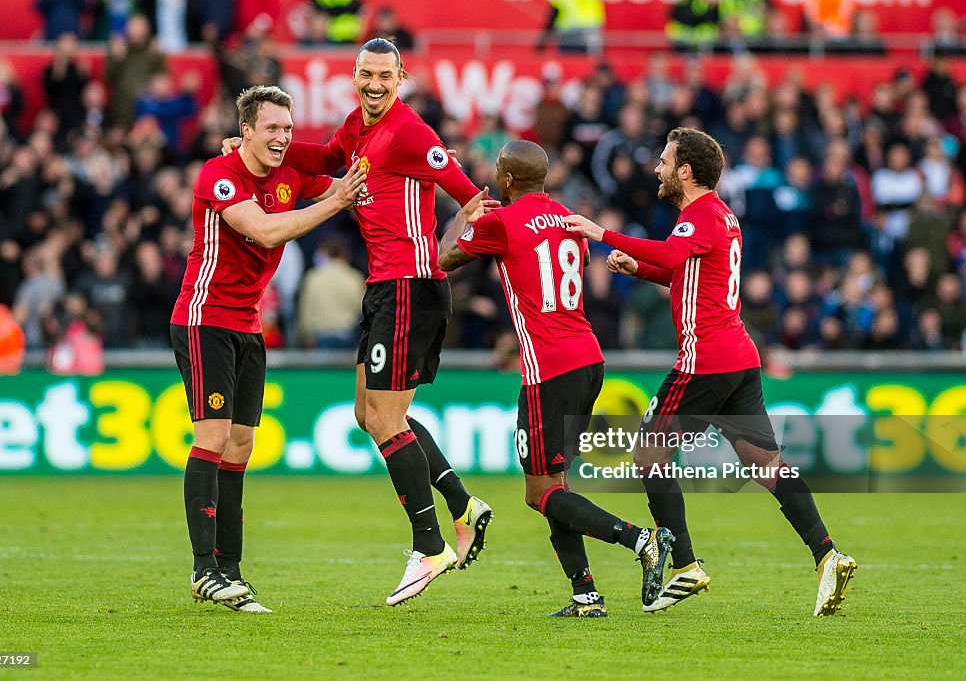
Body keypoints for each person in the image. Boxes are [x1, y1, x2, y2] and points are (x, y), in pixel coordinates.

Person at [224, 39, 494, 606]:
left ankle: (430, 545)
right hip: (384, 290)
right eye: (365, 75)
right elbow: (325, 161)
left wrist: (443, 258)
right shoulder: (358, 126)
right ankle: (462, 504)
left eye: (384, 76)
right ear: (355, 75)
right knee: (368, 414)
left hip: (410, 289)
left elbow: (471, 198)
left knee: (387, 421)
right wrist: (259, 146)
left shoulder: (411, 132)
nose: (374, 85)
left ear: (402, 78)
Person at [564, 127, 857, 617]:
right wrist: (638, 269)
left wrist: (600, 233)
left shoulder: (697, 216)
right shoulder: (720, 216)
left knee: (647, 456)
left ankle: (684, 565)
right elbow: (687, 271)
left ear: (685, 172)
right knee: (766, 466)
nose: (656, 168)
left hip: (705, 361)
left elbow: (675, 254)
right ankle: (827, 553)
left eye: (663, 161)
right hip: (739, 359)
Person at [438, 140, 673, 617]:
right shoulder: (568, 217)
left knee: (539, 492)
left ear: (505, 180)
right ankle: (585, 594)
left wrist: (464, 213)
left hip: (548, 368)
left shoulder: (500, 222)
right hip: (587, 357)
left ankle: (640, 539)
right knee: (555, 485)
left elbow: (443, 260)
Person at [172, 84, 366, 613]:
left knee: (240, 448)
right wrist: (335, 203)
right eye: (273, 128)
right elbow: (263, 231)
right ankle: (203, 569)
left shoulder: (290, 174)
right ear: (247, 132)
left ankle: (229, 569)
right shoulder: (220, 175)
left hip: (249, 326)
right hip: (204, 318)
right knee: (212, 438)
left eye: (288, 128)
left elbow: (347, 180)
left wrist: (417, 168)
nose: (282, 138)